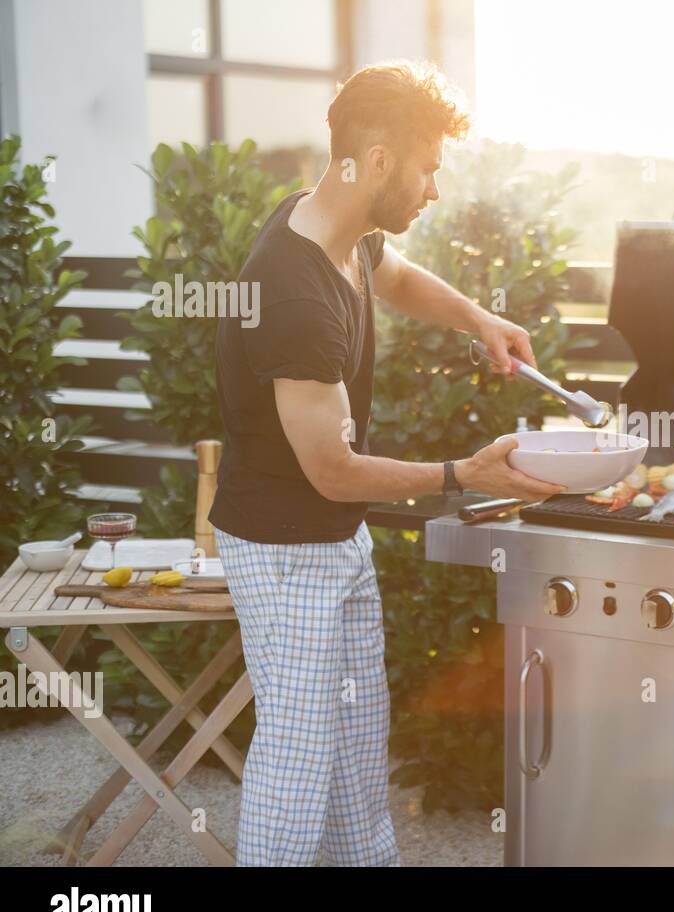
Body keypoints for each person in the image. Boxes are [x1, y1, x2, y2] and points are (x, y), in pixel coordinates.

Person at [209, 61, 564, 866]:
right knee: (298, 768)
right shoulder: (291, 291)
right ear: (376, 161)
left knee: (358, 762)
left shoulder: (338, 227)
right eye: (429, 167)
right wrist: (462, 474)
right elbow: (333, 470)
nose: (435, 189)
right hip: (284, 549)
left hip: (335, 540)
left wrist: (478, 318)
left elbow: (394, 274)